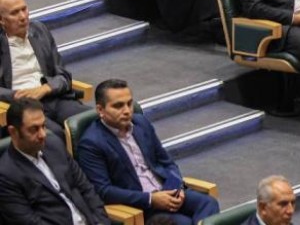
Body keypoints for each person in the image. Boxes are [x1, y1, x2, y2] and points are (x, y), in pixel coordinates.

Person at [76, 80, 220, 225]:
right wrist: (151, 199)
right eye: (118, 106)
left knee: (208, 203)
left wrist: (176, 187)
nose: (127, 111)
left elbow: (167, 162)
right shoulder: (91, 143)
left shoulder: (141, 123)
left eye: (129, 104)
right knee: (185, 222)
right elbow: (103, 191)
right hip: (140, 206)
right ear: (100, 110)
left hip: (167, 190)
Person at [0, 98, 108, 225]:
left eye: (43, 126)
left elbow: (86, 188)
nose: (43, 134)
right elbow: (29, 222)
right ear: (13, 132)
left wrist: (102, 222)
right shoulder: (6, 175)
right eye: (34, 129)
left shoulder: (54, 144)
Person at [0, 0, 88, 135]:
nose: (23, 17)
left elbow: (63, 75)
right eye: (14, 13)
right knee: (53, 135)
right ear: (2, 20)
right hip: (23, 107)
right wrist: (16, 96)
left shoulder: (39, 30)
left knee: (90, 121)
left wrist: (45, 88)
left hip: (54, 97)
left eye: (24, 9)